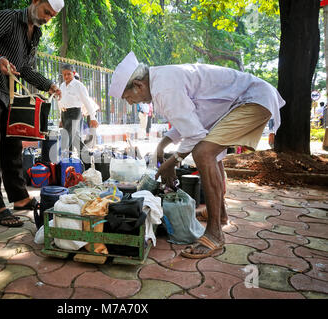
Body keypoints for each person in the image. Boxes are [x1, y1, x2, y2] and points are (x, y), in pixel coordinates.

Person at [109, 52, 285, 259]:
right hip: (243, 101)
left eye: (128, 98)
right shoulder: (161, 81)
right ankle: (218, 214)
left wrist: (172, 162)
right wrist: (161, 147)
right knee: (211, 154)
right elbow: (189, 122)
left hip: (253, 99)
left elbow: (193, 134)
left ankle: (214, 235)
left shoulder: (164, 88)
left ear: (138, 85)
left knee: (203, 153)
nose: (130, 103)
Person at [0, 0, 63, 227]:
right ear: (35, 2)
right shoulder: (8, 17)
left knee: (13, 145)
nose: (47, 18)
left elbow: (25, 69)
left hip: (9, 95)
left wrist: (48, 85)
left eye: (52, 16)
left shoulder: (35, 34)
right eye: (46, 12)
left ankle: (20, 198)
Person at [58, 63, 99, 156]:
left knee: (68, 135)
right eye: (64, 74)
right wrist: (60, 119)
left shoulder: (79, 86)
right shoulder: (62, 86)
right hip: (64, 113)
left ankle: (65, 156)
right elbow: (60, 102)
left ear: (73, 73)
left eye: (69, 74)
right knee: (75, 137)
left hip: (75, 112)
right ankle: (83, 156)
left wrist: (93, 118)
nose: (66, 76)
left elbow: (87, 102)